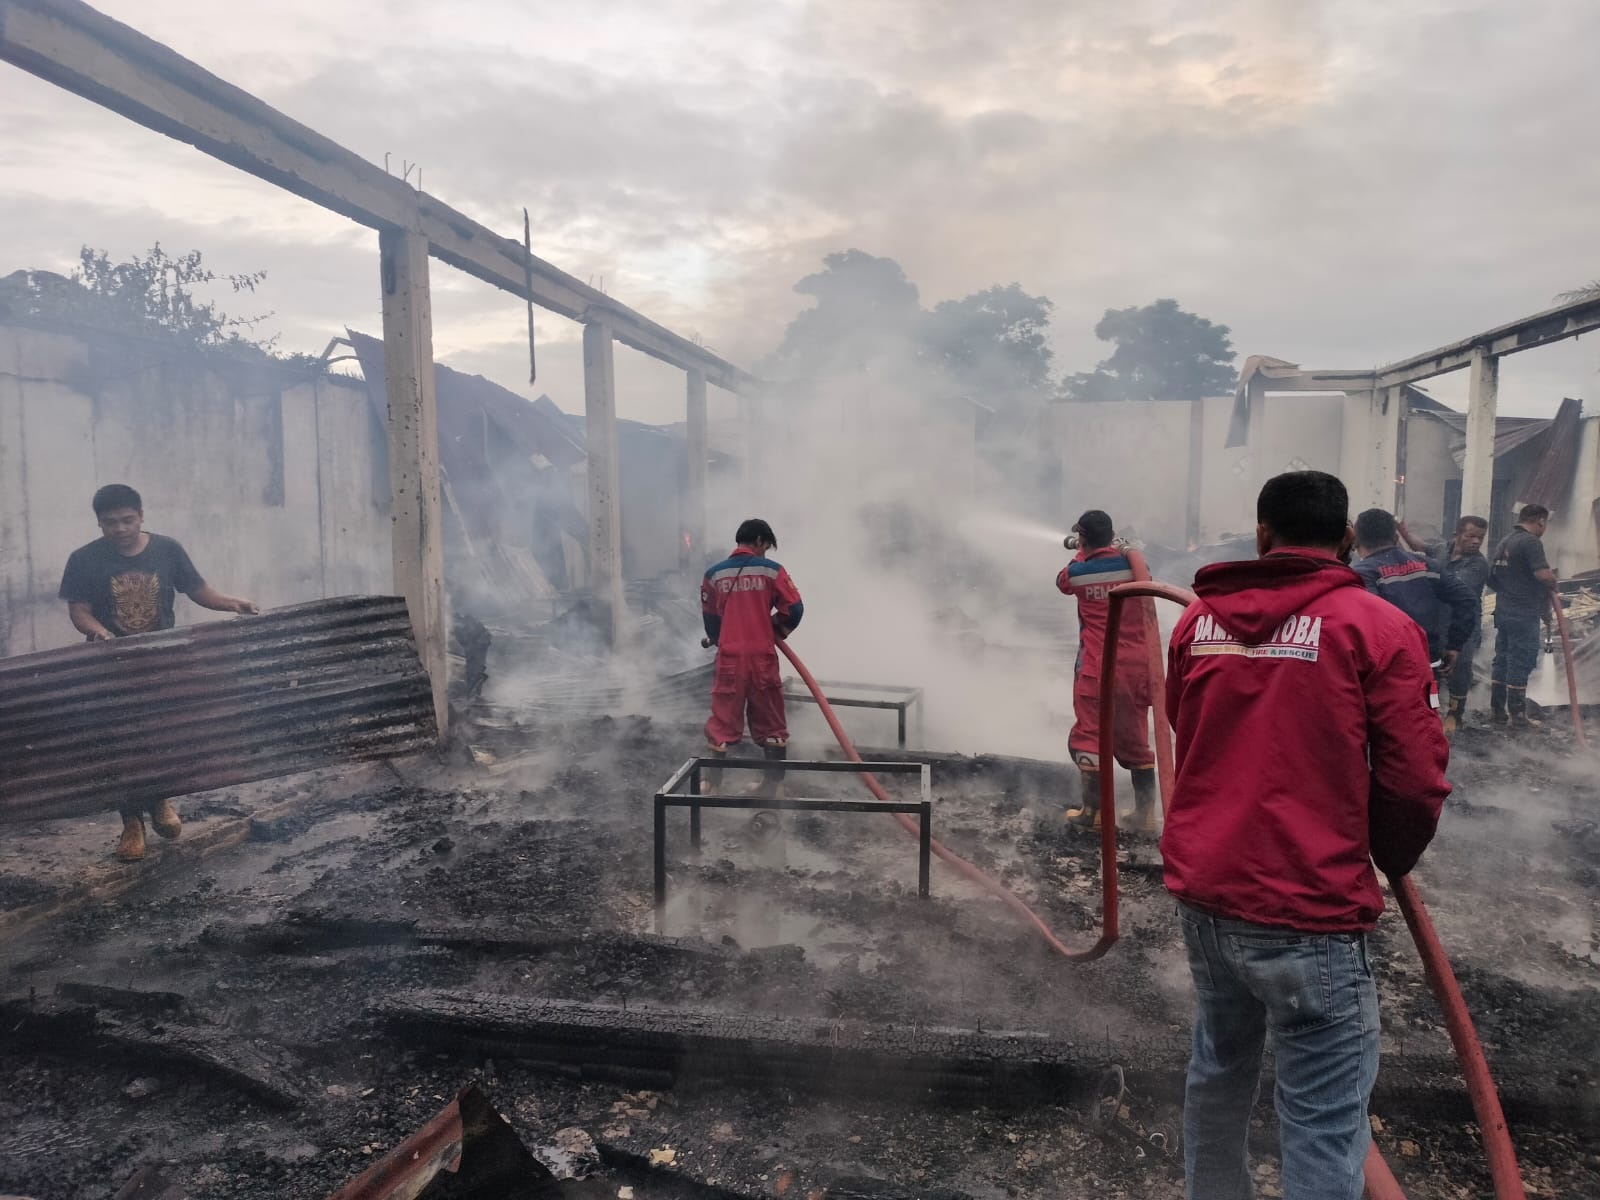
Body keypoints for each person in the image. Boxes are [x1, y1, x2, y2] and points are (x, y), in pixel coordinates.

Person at [1163, 471, 1449, 1200]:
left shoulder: (1199, 622)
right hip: (1309, 908)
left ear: (1262, 536)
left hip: (1208, 898)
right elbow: (1414, 777)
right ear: (1348, 540)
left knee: (1218, 1075)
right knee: (1322, 1116)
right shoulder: (1377, 626)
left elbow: (1186, 729)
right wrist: (1386, 854)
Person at [59, 484, 259, 862]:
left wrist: (234, 603)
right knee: (122, 743)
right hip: (110, 666)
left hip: (162, 662)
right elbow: (79, 610)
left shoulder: (167, 550)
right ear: (99, 523)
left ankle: (161, 801)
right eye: (110, 523)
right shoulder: (84, 559)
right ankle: (131, 823)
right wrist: (98, 632)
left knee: (161, 736)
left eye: (127, 520)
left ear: (141, 516)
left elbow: (199, 591)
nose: (119, 529)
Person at [1055, 510, 1158, 833]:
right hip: (1137, 667)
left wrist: (1081, 551)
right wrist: (1122, 549)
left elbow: (1062, 581)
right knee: (1136, 739)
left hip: (1097, 669)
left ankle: (1095, 814)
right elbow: (1147, 580)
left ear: (1083, 538)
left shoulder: (1078, 570)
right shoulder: (1134, 566)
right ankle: (1146, 815)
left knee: (1089, 735)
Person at [700, 519, 804, 797]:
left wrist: (721, 638)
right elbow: (794, 609)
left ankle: (711, 785)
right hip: (761, 658)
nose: (765, 553)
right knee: (771, 719)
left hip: (730, 658)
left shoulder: (713, 575)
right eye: (766, 547)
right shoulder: (772, 571)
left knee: (722, 718)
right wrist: (775, 629)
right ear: (759, 540)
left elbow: (710, 619)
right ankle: (773, 786)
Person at [1350, 508, 1477, 695]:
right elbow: (1466, 599)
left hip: (1388, 670)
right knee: (1427, 714)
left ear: (1356, 539)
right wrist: (1454, 645)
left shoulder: (1363, 573)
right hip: (1427, 661)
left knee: (1391, 721)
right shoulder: (1426, 565)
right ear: (1394, 537)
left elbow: (1372, 619)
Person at [1400, 515, 1490, 733]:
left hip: (1463, 625)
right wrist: (1401, 530)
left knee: (1460, 667)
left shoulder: (1478, 564)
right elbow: (1419, 546)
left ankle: (1455, 714)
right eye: (1470, 536)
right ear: (1456, 534)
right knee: (1434, 667)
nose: (1476, 542)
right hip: (1437, 621)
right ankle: (1432, 711)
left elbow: (1450, 584)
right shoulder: (1442, 549)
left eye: (1480, 537)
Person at [1487, 503, 1560, 730]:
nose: (1544, 528)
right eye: (1545, 524)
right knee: (1521, 660)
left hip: (1504, 611)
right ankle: (1518, 717)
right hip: (1523, 613)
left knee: (1503, 660)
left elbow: (1492, 578)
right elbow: (1543, 575)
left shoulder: (1506, 540)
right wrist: (1553, 584)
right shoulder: (1531, 542)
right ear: (1540, 520)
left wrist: (1510, 590)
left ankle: (1498, 712)